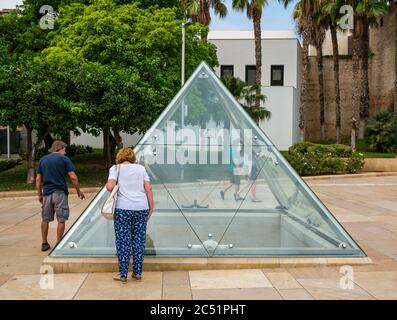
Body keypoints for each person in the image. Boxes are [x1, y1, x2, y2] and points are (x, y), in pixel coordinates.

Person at [106, 148, 154, 284]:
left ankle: (123, 275)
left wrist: (111, 184)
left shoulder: (115, 169)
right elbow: (148, 188)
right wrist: (151, 207)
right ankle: (137, 273)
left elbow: (110, 187)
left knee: (123, 241)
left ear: (119, 157)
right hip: (141, 207)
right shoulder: (141, 169)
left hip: (122, 209)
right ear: (132, 157)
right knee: (139, 241)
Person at [36, 140, 85, 252]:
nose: (65, 152)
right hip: (60, 193)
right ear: (60, 148)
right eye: (65, 150)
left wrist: (39, 194)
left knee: (45, 219)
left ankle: (44, 243)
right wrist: (78, 191)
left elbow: (38, 179)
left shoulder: (43, 160)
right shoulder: (64, 159)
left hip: (47, 193)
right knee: (61, 219)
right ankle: (59, 243)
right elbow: (73, 177)